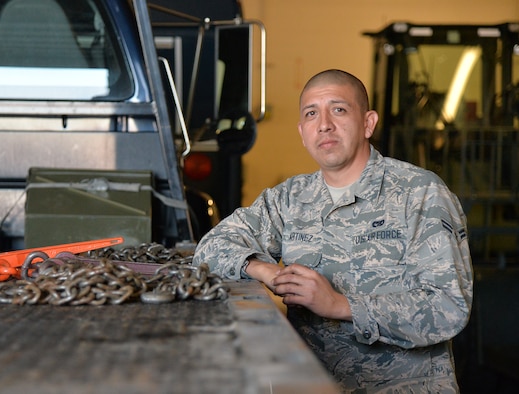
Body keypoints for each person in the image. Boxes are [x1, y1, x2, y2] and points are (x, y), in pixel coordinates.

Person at [192, 69, 473, 393]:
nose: (324, 123)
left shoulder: (420, 192)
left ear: (368, 123)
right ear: (302, 131)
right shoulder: (289, 199)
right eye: (312, 113)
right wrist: (264, 271)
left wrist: (340, 305)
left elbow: (448, 307)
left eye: (338, 109)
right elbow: (212, 245)